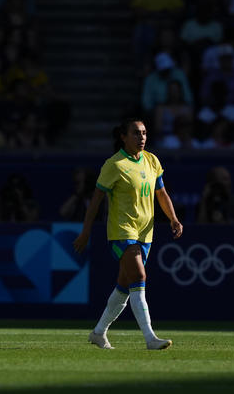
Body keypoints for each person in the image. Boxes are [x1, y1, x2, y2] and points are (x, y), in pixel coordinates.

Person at [73, 118, 183, 350]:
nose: (142, 137)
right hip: (122, 232)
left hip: (146, 233)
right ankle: (150, 338)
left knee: (124, 287)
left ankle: (98, 332)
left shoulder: (152, 160)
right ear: (123, 137)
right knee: (139, 278)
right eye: (136, 133)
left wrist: (173, 218)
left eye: (144, 133)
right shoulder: (114, 165)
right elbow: (95, 202)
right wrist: (85, 231)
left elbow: (161, 193)